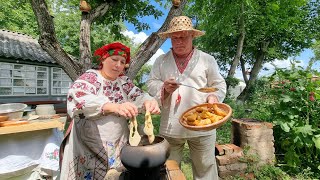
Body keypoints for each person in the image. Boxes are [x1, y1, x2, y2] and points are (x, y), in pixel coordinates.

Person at [60, 42, 161, 179]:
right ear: (103, 59)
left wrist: (149, 102)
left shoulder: (123, 82)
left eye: (122, 62)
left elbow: (138, 96)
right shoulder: (91, 77)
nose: (118, 65)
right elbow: (79, 100)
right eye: (114, 59)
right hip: (89, 144)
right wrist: (114, 107)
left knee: (113, 175)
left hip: (116, 142)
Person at [147, 16, 227, 180]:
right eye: (174, 38)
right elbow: (151, 83)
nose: (179, 42)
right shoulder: (161, 61)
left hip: (203, 124)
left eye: (183, 37)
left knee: (205, 168)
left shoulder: (207, 59)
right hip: (171, 126)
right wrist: (164, 89)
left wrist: (213, 96)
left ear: (192, 36)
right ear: (170, 39)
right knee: (169, 169)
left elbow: (219, 85)